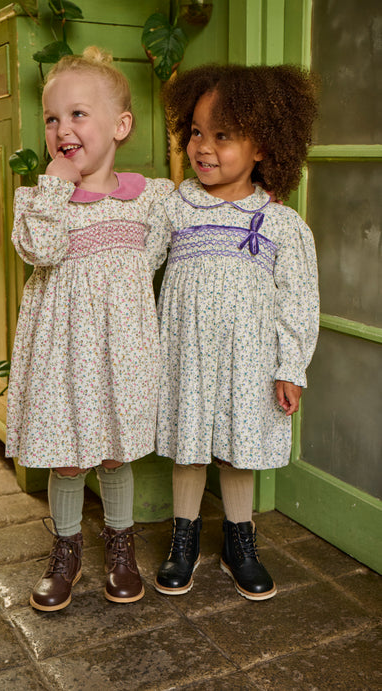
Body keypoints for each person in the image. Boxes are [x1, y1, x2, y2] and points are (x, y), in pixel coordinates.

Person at [5, 46, 174, 611]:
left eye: (78, 114)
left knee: (116, 454)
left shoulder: (149, 198)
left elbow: (154, 258)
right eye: (52, 118)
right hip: (62, 352)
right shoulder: (39, 200)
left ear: (120, 126)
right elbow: (41, 250)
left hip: (121, 351)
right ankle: (67, 550)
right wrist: (55, 186)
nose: (62, 129)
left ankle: (121, 547)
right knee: (68, 455)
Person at [153, 63, 320, 601]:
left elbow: (297, 301)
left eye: (222, 135)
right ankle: (183, 539)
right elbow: (135, 264)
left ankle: (239, 542)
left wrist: (290, 367)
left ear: (263, 148)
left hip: (249, 360)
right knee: (189, 447)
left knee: (238, 449)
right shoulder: (175, 207)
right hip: (187, 354)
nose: (203, 147)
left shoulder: (279, 222)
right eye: (196, 131)